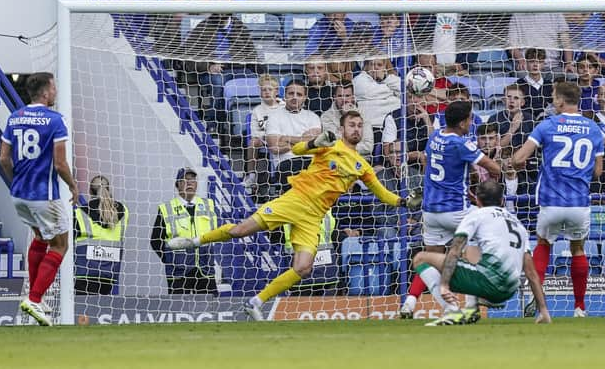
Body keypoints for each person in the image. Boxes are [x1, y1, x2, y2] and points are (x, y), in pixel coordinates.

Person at [167, 111, 423, 320]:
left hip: (314, 217)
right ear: (343, 129)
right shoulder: (329, 145)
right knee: (239, 231)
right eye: (351, 125)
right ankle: (196, 240)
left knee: (303, 267)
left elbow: (381, 193)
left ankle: (256, 302)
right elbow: (299, 150)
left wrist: (403, 201)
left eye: (359, 125)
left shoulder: (362, 165)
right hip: (295, 199)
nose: (356, 129)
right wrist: (315, 142)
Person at [400, 100, 501, 319]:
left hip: (431, 211)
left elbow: (427, 164)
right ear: (464, 122)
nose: (472, 122)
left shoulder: (434, 137)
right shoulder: (461, 144)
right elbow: (494, 168)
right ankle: (475, 303)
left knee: (430, 261)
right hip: (456, 210)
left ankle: (424, 303)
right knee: (482, 240)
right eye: (471, 118)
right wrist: (488, 184)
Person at [512, 81, 604, 317]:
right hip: (579, 202)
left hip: (551, 201)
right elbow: (598, 171)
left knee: (543, 244)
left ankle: (537, 299)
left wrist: (515, 162)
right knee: (578, 250)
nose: (553, 101)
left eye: (554, 97)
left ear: (561, 101)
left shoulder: (547, 125)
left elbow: (519, 158)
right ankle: (580, 307)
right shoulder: (594, 128)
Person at [0, 72, 80, 326]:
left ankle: (35, 297)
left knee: (40, 238)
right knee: (60, 245)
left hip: (19, 195)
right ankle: (34, 299)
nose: (55, 92)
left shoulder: (15, 117)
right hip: (44, 195)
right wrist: (74, 186)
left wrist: (17, 182)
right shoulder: (56, 120)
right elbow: (60, 164)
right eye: (54, 87)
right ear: (45, 92)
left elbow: (3, 159)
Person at [413, 181, 551, 325]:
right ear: (502, 200)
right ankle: (473, 306)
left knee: (421, 258)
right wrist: (543, 310)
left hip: (487, 282)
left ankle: (451, 311)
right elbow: (531, 272)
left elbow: (455, 250)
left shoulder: (476, 215)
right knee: (474, 251)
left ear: (477, 200)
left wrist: (444, 284)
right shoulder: (518, 224)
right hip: (509, 290)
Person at [150, 168, 219, 294]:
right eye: (185, 180)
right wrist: (170, 259)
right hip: (179, 272)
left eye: (192, 179)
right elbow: (155, 240)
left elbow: (215, 233)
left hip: (205, 268)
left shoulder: (209, 205)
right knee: (179, 309)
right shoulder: (167, 208)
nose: (189, 183)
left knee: (210, 308)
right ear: (177, 185)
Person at [74, 176, 129, 295]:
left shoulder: (80, 212)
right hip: (109, 275)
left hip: (85, 273)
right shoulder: (124, 211)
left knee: (83, 311)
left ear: (90, 191)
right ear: (109, 189)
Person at [243, 75, 285, 191]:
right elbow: (255, 132)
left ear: (276, 91)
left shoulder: (284, 107)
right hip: (263, 139)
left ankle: (279, 175)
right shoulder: (257, 111)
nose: (267, 92)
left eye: (270, 89)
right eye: (263, 90)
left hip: (282, 138)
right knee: (252, 142)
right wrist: (266, 137)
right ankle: (251, 175)